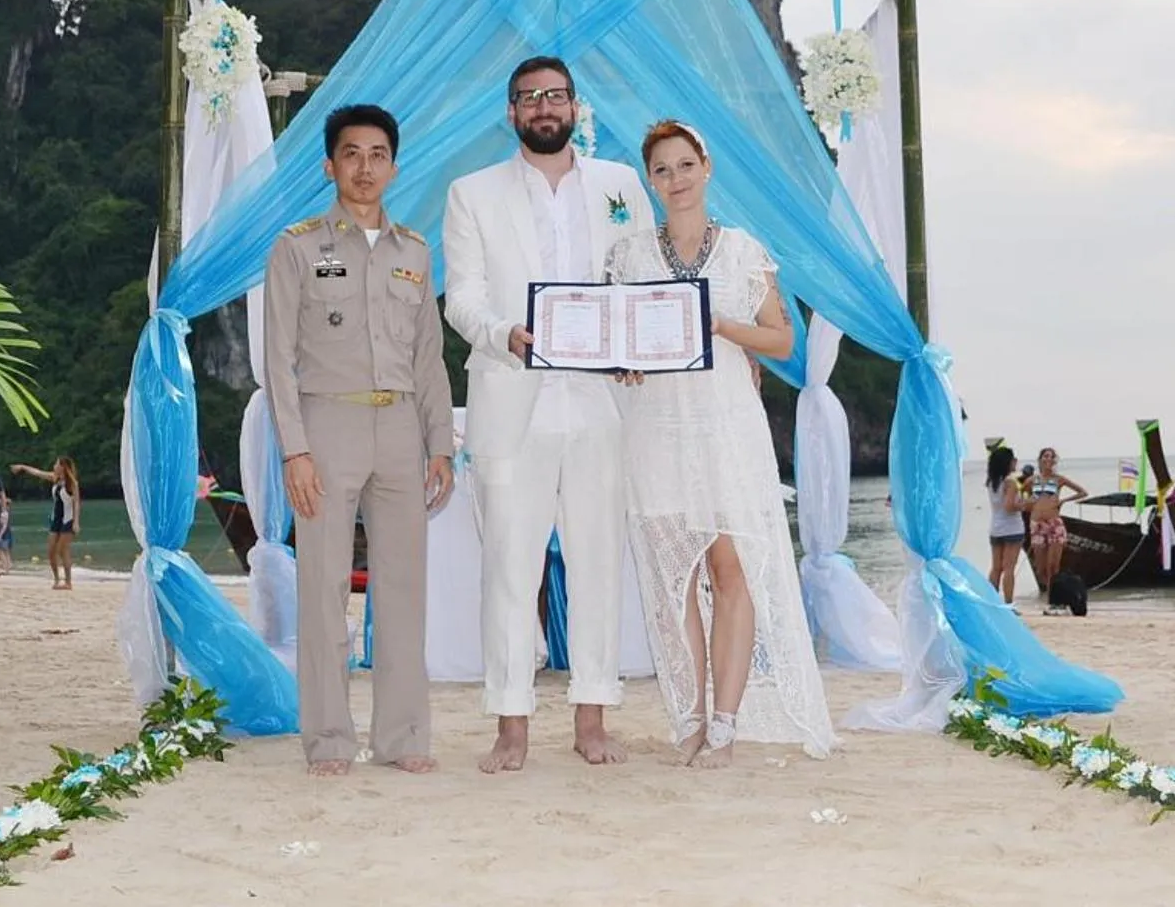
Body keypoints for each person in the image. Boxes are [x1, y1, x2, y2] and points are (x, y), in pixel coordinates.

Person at [443, 55, 655, 773]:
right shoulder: (471, 193)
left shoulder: (622, 185)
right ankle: (511, 726)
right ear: (511, 113)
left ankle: (592, 719)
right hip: (512, 395)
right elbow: (461, 296)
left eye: (554, 96)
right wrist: (505, 333)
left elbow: (645, 280)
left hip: (601, 400)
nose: (543, 108)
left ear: (574, 106)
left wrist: (637, 343)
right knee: (509, 567)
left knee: (599, 562)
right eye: (529, 98)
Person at [608, 120, 834, 764]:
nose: (675, 180)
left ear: (706, 168)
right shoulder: (628, 257)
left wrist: (724, 325)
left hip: (726, 425)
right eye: (662, 170)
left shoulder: (742, 252)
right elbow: (619, 341)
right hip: (655, 426)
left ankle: (727, 724)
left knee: (728, 567)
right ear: (649, 181)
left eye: (685, 165)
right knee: (673, 575)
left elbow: (783, 341)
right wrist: (625, 360)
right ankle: (690, 717)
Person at [263, 103, 453, 777]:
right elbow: (277, 359)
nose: (365, 167)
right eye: (352, 154)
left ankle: (402, 738)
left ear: (394, 166)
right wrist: (295, 449)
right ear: (329, 165)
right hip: (327, 424)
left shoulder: (416, 253)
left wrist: (441, 444)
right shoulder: (297, 247)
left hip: (401, 428)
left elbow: (429, 357)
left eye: (377, 154)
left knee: (403, 589)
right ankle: (330, 740)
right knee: (323, 587)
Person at [1022, 446, 1087, 596]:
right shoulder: (1032, 480)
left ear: (1054, 461)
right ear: (1040, 460)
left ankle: (1053, 599)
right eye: (1045, 456)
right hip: (1037, 525)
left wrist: (1063, 500)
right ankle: (1050, 593)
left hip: (1054, 524)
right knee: (1040, 567)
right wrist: (1027, 504)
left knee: (1053, 567)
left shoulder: (1059, 479)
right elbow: (1020, 495)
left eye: (1051, 457)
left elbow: (1082, 492)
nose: (1048, 459)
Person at [14, 458, 82, 589]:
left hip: (68, 520)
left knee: (63, 550)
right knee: (51, 551)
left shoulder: (72, 483)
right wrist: (23, 466)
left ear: (63, 466)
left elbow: (77, 503)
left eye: (57, 464)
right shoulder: (55, 478)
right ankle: (57, 579)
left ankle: (68, 582)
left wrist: (76, 522)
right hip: (55, 519)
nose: (54, 466)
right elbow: (37, 472)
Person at [984, 442, 1026, 601]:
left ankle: (992, 599)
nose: (1015, 462)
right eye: (1013, 459)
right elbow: (1009, 506)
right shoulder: (1010, 482)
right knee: (1009, 568)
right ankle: (1008, 603)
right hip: (1012, 528)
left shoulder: (992, 482)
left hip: (996, 527)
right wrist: (1023, 505)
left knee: (996, 568)